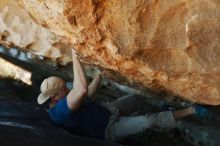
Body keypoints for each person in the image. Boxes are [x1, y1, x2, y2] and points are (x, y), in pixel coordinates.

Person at [37, 49, 213, 141]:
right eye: (64, 90)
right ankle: (192, 111)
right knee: (148, 121)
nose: (67, 90)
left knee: (136, 100)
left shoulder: (62, 102)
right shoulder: (58, 113)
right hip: (108, 130)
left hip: (107, 111)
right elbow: (80, 90)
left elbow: (86, 95)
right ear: (54, 98)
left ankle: (165, 111)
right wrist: (75, 57)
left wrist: (99, 75)